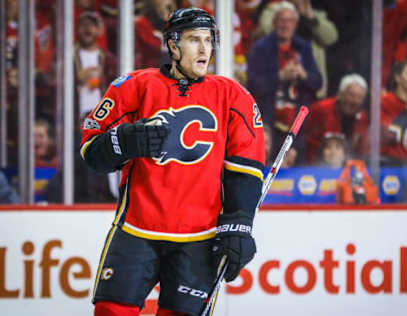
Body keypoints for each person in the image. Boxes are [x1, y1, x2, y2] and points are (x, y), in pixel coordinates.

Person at [79, 8, 265, 316]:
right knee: (111, 312)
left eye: (209, 40)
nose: (205, 49)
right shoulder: (133, 87)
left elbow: (245, 169)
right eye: (194, 40)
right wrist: (122, 141)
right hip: (136, 230)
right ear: (173, 46)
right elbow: (91, 152)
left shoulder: (233, 97)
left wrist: (240, 222)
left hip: (199, 239)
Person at [247, 1, 322, 164]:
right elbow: (252, 85)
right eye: (281, 20)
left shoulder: (303, 48)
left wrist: (304, 75)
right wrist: (280, 76)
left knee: (296, 176)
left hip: (297, 127)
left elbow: (318, 83)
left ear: (296, 24)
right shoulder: (260, 48)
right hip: (268, 124)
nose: (285, 25)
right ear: (274, 23)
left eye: (290, 21)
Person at [305, 73, 369, 163]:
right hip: (317, 167)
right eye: (351, 95)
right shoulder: (321, 109)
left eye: (359, 97)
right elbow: (307, 140)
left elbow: (362, 151)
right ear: (340, 94)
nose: (355, 101)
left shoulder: (362, 118)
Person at [75, 11, 118, 119]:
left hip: (101, 118)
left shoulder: (108, 59)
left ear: (99, 30)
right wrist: (78, 78)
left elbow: (119, 88)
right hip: (75, 119)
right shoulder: (68, 57)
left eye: (92, 25)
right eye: (84, 25)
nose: (87, 28)